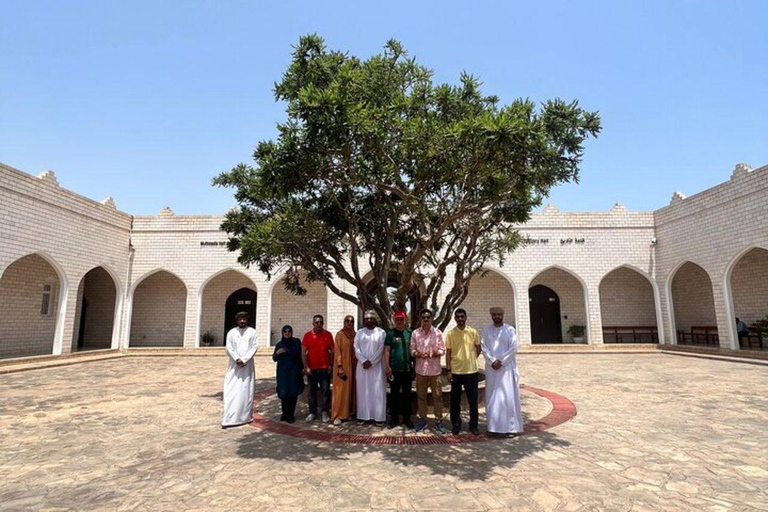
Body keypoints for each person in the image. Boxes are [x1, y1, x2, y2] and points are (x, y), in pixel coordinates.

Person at [481, 307, 523, 436]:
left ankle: (510, 428)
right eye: (494, 314)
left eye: (499, 314)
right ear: (491, 316)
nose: (497, 316)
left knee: (507, 396)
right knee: (493, 397)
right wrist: (492, 361)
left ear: (503, 315)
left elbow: (513, 348)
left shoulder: (510, 330)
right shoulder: (486, 330)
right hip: (492, 369)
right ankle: (493, 428)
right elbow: (484, 347)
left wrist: (502, 361)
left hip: (507, 369)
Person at [411, 308, 447, 434]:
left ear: (431, 318)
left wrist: (435, 353)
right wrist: (418, 354)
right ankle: (423, 419)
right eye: (423, 317)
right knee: (421, 397)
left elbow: (443, 349)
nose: (426, 319)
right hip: (421, 371)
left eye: (428, 317)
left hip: (435, 371)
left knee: (437, 396)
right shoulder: (415, 333)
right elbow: (412, 350)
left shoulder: (437, 333)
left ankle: (438, 420)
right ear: (421, 319)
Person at [446, 308, 481, 435]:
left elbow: (478, 348)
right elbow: (448, 353)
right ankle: (456, 425)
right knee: (455, 401)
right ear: (455, 318)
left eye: (462, 317)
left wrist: (471, 360)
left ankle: (474, 425)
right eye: (458, 317)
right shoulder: (450, 334)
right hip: (456, 372)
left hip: (471, 371)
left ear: (466, 318)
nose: (460, 319)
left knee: (473, 401)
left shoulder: (473, 332)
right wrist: (449, 370)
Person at [222, 311, 257, 428]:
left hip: (247, 367)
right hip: (234, 366)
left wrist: (244, 359)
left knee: (245, 390)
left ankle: (244, 417)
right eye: (240, 319)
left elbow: (254, 347)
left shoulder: (252, 332)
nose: (242, 321)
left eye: (244, 319)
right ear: (237, 320)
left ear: (247, 320)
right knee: (231, 389)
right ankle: (229, 418)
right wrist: (237, 359)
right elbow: (229, 348)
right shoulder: (231, 333)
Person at [354, 310, 387, 425]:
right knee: (363, 391)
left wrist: (371, 362)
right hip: (362, 367)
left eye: (371, 318)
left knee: (377, 392)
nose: (369, 320)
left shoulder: (381, 332)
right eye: (367, 319)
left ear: (375, 319)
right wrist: (363, 361)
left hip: (377, 367)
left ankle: (378, 417)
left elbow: (381, 349)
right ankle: (363, 416)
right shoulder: (359, 333)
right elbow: (356, 348)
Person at [301, 314, 334, 423]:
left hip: (324, 369)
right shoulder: (307, 336)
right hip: (312, 370)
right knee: (311, 392)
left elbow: (333, 351)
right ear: (313, 323)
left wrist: (330, 365)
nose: (319, 324)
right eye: (317, 322)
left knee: (325, 392)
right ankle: (312, 412)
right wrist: (306, 367)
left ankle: (325, 412)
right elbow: (303, 352)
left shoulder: (328, 335)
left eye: (321, 322)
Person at [384, 311, 413, 428]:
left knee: (407, 395)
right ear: (394, 321)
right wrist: (387, 366)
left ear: (405, 320)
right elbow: (386, 351)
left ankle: (407, 419)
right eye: (397, 320)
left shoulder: (409, 334)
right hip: (394, 370)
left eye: (401, 319)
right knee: (394, 395)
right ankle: (394, 420)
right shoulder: (390, 333)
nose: (399, 322)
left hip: (407, 370)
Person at [272, 324, 305, 423]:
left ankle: (290, 415)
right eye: (285, 332)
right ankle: (284, 413)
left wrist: (286, 350)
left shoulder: (296, 342)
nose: (287, 333)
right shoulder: (279, 344)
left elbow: (297, 353)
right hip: (283, 373)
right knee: (284, 393)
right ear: (282, 333)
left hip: (294, 372)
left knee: (293, 393)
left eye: (289, 331)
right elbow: (274, 358)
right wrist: (277, 353)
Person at [331, 315, 357, 425]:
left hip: (355, 367)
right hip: (343, 367)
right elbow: (337, 351)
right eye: (347, 321)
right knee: (341, 391)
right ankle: (338, 415)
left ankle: (350, 413)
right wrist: (340, 366)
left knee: (352, 390)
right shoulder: (340, 335)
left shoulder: (356, 335)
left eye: (351, 321)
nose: (349, 323)